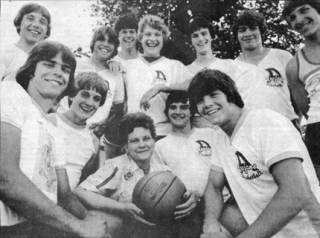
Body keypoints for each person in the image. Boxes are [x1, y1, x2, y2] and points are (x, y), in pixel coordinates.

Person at [188, 69, 320, 238]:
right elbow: (214, 186)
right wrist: (210, 223)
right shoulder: (219, 137)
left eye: (213, 95)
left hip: (308, 232)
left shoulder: (265, 122)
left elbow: (295, 192)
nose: (206, 104)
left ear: (230, 94)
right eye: (200, 100)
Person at [0, 41, 110, 238]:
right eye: (49, 64)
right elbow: (5, 178)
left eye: (65, 69)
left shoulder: (54, 130)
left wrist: (91, 223)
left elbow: (64, 193)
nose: (58, 72)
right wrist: (81, 228)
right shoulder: (10, 93)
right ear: (31, 70)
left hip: (34, 226)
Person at [74, 112, 172, 238]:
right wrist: (120, 207)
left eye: (146, 138)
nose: (142, 145)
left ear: (154, 140)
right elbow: (80, 191)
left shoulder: (164, 172)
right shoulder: (115, 166)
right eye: (134, 141)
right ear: (126, 147)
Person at [153, 91, 224, 237]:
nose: (178, 112)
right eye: (173, 107)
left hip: (219, 201)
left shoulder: (210, 134)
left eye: (183, 107)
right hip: (187, 207)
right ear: (167, 112)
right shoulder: (160, 145)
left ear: (191, 111)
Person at [60, 26, 125, 161]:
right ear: (93, 43)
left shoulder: (116, 74)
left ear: (115, 48)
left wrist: (103, 127)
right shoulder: (75, 64)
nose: (105, 44)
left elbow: (118, 111)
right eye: (101, 39)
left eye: (110, 42)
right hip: (63, 127)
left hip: (91, 135)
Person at [123, 14, 192, 139]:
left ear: (163, 39)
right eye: (148, 34)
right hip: (134, 134)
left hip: (164, 133)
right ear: (140, 38)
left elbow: (194, 84)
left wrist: (160, 87)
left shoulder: (174, 65)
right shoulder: (127, 66)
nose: (152, 39)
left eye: (157, 35)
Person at [232, 9, 297, 124]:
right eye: (242, 30)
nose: (248, 34)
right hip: (251, 131)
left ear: (261, 31)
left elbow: (298, 94)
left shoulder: (282, 56)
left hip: (287, 126)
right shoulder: (231, 68)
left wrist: (297, 121)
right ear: (237, 35)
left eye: (253, 28)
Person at [48, 72, 109, 191]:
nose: (90, 103)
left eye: (96, 99)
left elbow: (82, 181)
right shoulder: (50, 121)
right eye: (85, 95)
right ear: (72, 95)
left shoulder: (94, 141)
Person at [283, 0, 320, 182]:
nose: (299, 19)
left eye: (304, 11)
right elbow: (306, 109)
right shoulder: (294, 65)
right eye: (292, 18)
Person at [0, 3, 51, 81]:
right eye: (30, 18)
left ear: (46, 31)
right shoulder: (5, 53)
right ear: (19, 23)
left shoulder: (49, 60)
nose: (36, 25)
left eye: (42, 22)